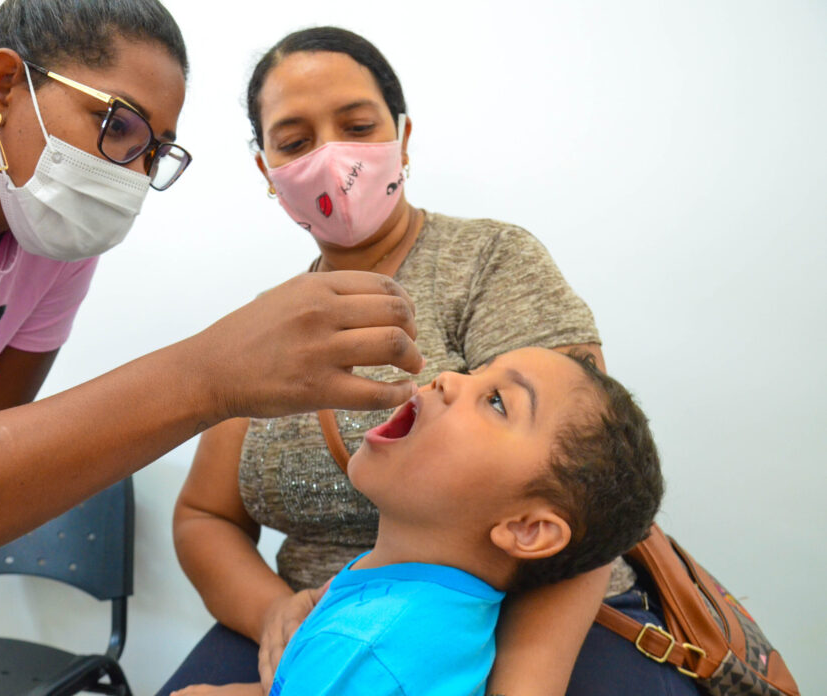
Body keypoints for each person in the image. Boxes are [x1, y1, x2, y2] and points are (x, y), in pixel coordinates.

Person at [0, 4, 426, 695]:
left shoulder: (52, 233)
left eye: (152, 153)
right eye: (118, 127)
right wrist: (205, 376)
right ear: (2, 87)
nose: (129, 174)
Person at [164, 26, 698, 696]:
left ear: (402, 139)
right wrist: (277, 614)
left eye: (357, 125)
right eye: (295, 142)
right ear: (266, 169)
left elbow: (586, 488)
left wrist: (520, 688)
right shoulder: (263, 329)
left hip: (521, 635)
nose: (332, 157)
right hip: (326, 627)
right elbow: (205, 517)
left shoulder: (489, 265)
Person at [171, 348, 663, 696]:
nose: (449, 378)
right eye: (476, 371)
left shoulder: (367, 648)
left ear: (527, 528)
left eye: (497, 401)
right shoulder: (431, 606)